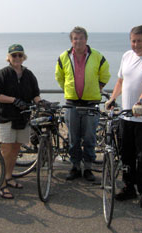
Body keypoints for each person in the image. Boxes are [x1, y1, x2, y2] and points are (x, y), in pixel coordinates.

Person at [105, 25, 142, 208]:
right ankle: (129, 187)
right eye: (133, 41)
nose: (136, 45)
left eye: (139, 41)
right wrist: (113, 99)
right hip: (126, 117)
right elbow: (121, 81)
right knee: (126, 155)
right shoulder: (126, 56)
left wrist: (140, 102)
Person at [55, 26, 111, 182]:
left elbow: (105, 74)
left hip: (91, 103)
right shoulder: (64, 57)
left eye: (80, 38)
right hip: (71, 103)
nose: (78, 41)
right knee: (73, 138)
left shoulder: (97, 56)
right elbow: (59, 77)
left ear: (86, 39)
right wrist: (68, 89)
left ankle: (87, 168)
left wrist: (97, 88)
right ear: (71, 41)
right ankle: (75, 167)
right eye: (75, 38)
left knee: (89, 137)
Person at [0, 44, 43, 199]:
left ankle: (9, 177)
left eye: (20, 55)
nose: (17, 58)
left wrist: (40, 102)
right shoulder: (3, 74)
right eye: (14, 55)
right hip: (5, 118)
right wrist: (14, 100)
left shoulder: (28, 74)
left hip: (22, 118)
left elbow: (35, 93)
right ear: (9, 57)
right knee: (5, 151)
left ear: (23, 57)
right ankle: (1, 184)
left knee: (15, 150)